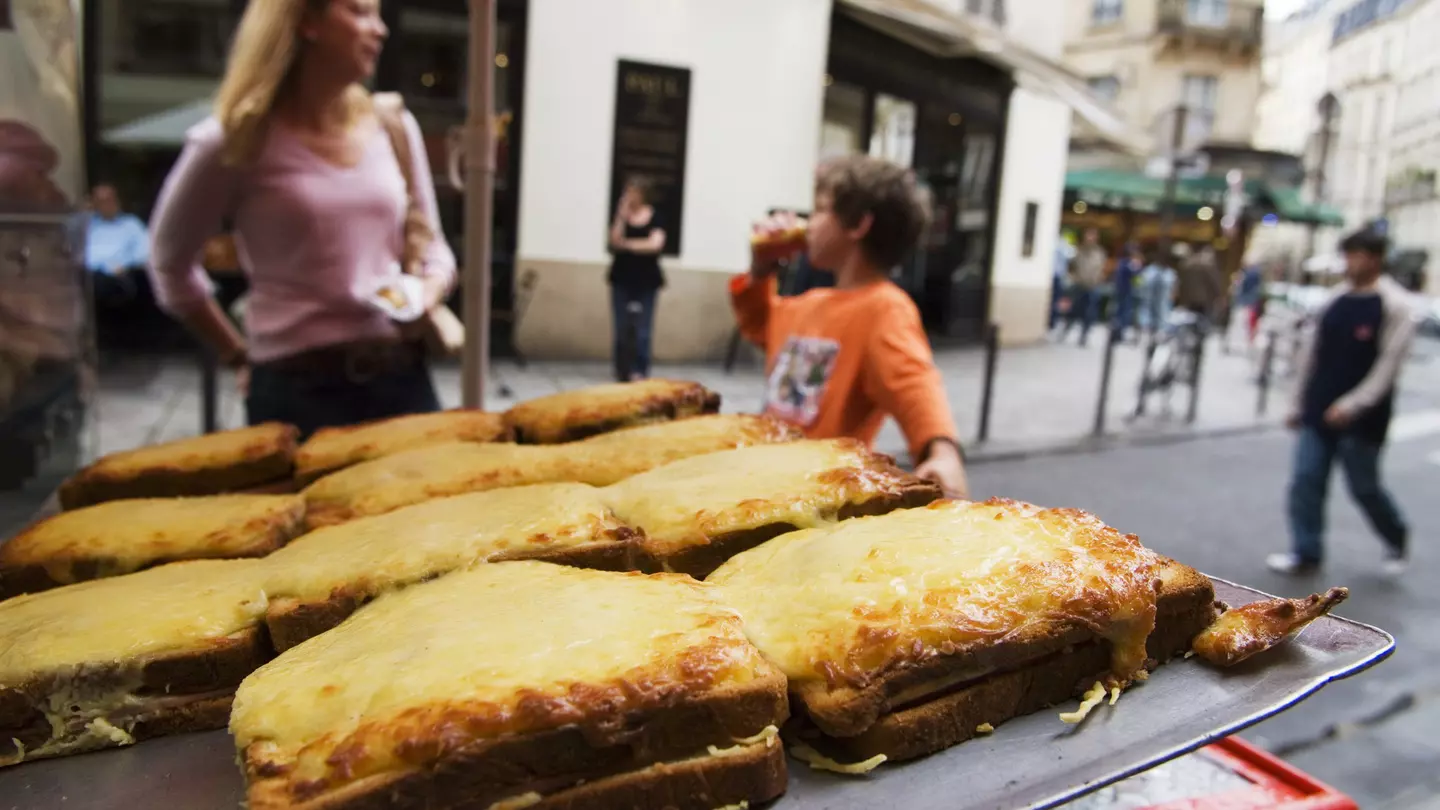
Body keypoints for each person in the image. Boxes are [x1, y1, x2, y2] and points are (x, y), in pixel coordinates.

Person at [148, 0, 455, 439]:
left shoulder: (393, 126)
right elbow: (168, 266)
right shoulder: (233, 140)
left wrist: (427, 293)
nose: (380, 29)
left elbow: (435, 248)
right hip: (296, 390)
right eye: (360, 11)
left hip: (402, 379)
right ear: (306, 21)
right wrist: (235, 354)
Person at [730, 155, 968, 498]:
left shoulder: (884, 308)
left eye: (820, 210)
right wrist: (760, 271)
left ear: (858, 224)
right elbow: (760, 327)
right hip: (763, 485)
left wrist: (942, 452)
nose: (809, 223)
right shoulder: (810, 302)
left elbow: (914, 383)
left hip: (819, 500)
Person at [1268, 230, 1415, 576]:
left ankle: (1396, 535)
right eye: (1347, 255)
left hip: (1363, 419)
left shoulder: (1395, 305)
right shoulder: (1335, 300)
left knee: (1364, 487)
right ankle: (1306, 552)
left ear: (1375, 259)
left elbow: (1387, 368)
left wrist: (1352, 405)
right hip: (1319, 409)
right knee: (1306, 479)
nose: (1349, 263)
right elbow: (1311, 355)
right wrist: (1297, 403)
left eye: (1356, 255)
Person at [606, 176, 666, 381]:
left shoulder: (655, 216)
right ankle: (621, 369)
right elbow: (614, 240)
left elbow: (655, 244)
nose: (630, 196)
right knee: (621, 326)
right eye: (627, 191)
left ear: (643, 194)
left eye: (634, 192)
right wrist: (621, 216)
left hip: (647, 279)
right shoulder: (622, 215)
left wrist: (628, 245)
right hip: (622, 277)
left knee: (643, 329)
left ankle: (640, 369)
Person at [1060, 228, 1106, 347]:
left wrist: (1098, 279)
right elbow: (1071, 266)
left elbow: (1101, 268)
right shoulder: (1079, 251)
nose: (1090, 238)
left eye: (1093, 236)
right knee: (1074, 309)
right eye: (1088, 236)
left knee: (1089, 312)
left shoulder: (1099, 252)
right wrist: (1073, 277)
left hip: (1092, 285)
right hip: (1079, 284)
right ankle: (1066, 329)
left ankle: (1084, 335)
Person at [1175, 244, 1226, 330]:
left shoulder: (1186, 265)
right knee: (1203, 322)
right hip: (1204, 300)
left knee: (1192, 321)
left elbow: (1182, 283)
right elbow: (1214, 282)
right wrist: (1219, 296)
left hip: (1190, 299)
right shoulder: (1206, 266)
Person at [1136, 248, 1177, 337]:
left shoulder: (1168, 272)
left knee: (1161, 311)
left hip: (1162, 299)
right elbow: (1139, 283)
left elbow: (1173, 286)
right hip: (1151, 298)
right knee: (1149, 311)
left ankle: (1159, 331)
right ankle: (1149, 330)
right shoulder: (1151, 271)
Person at [1111, 243, 1141, 342]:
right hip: (1126, 291)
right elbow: (1136, 276)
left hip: (1121, 291)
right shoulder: (1129, 264)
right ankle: (1119, 331)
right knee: (1124, 312)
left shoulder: (1121, 263)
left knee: (1120, 311)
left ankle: (1118, 331)